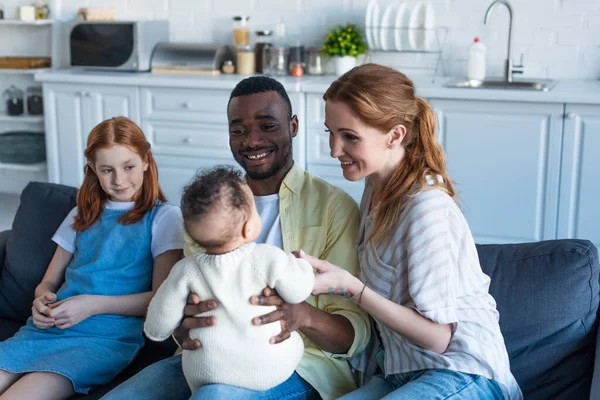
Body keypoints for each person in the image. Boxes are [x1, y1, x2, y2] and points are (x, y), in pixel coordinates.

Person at [102, 76, 371, 400]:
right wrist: (181, 328)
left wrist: (301, 315)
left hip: (298, 365)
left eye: (267, 126)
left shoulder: (332, 207)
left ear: (293, 126)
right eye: (238, 130)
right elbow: (176, 307)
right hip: (206, 360)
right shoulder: (206, 210)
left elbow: (354, 336)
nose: (252, 140)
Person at [298, 64, 523, 399]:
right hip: (401, 372)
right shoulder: (374, 188)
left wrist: (352, 288)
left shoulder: (425, 206)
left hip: (463, 371)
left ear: (395, 135)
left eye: (349, 137)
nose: (334, 150)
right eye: (331, 132)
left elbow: (439, 339)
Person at [0, 117, 184, 399]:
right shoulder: (80, 214)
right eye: (107, 170)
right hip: (46, 330)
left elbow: (160, 298)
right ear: (93, 170)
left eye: (128, 167)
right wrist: (41, 300)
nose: (119, 180)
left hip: (104, 340)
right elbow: (48, 282)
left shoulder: (164, 218)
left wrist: (91, 306)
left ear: (146, 161)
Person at [144, 166, 315, 394]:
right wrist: (302, 265)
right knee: (292, 345)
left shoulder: (185, 269)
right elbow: (299, 291)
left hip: (204, 373)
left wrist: (170, 327)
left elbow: (157, 327)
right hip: (270, 367)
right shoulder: (266, 257)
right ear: (249, 227)